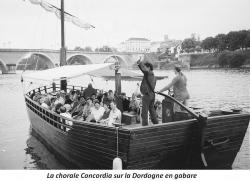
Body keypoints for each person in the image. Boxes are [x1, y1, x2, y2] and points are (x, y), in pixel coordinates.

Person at [137, 57, 158, 126]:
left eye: (146, 67)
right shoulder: (153, 75)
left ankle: (145, 126)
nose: (144, 69)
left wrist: (140, 63)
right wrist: (139, 64)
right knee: (152, 110)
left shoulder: (148, 74)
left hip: (147, 95)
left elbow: (143, 70)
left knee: (144, 111)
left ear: (148, 68)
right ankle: (156, 123)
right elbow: (143, 70)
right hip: (152, 95)